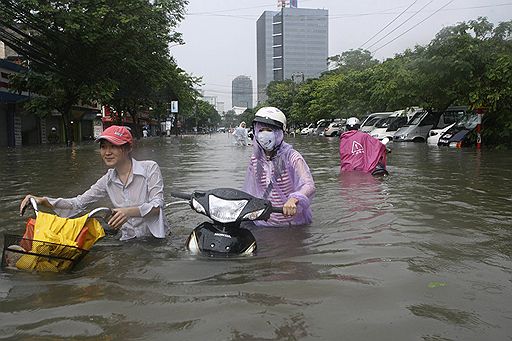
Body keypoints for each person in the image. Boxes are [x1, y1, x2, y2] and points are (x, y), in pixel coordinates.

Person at [19, 125, 169, 241]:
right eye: (103, 147)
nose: (107, 152)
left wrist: (128, 212)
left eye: (113, 146)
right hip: (128, 240)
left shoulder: (150, 168)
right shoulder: (107, 180)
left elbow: (158, 206)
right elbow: (78, 203)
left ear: (128, 148)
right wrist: (44, 201)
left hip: (156, 240)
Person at [243, 107, 315, 227]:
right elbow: (250, 189)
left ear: (279, 132)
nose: (264, 134)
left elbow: (309, 185)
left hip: (290, 223)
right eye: (261, 130)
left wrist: (294, 199)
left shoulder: (292, 157)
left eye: (269, 130)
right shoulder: (255, 159)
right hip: (264, 222)